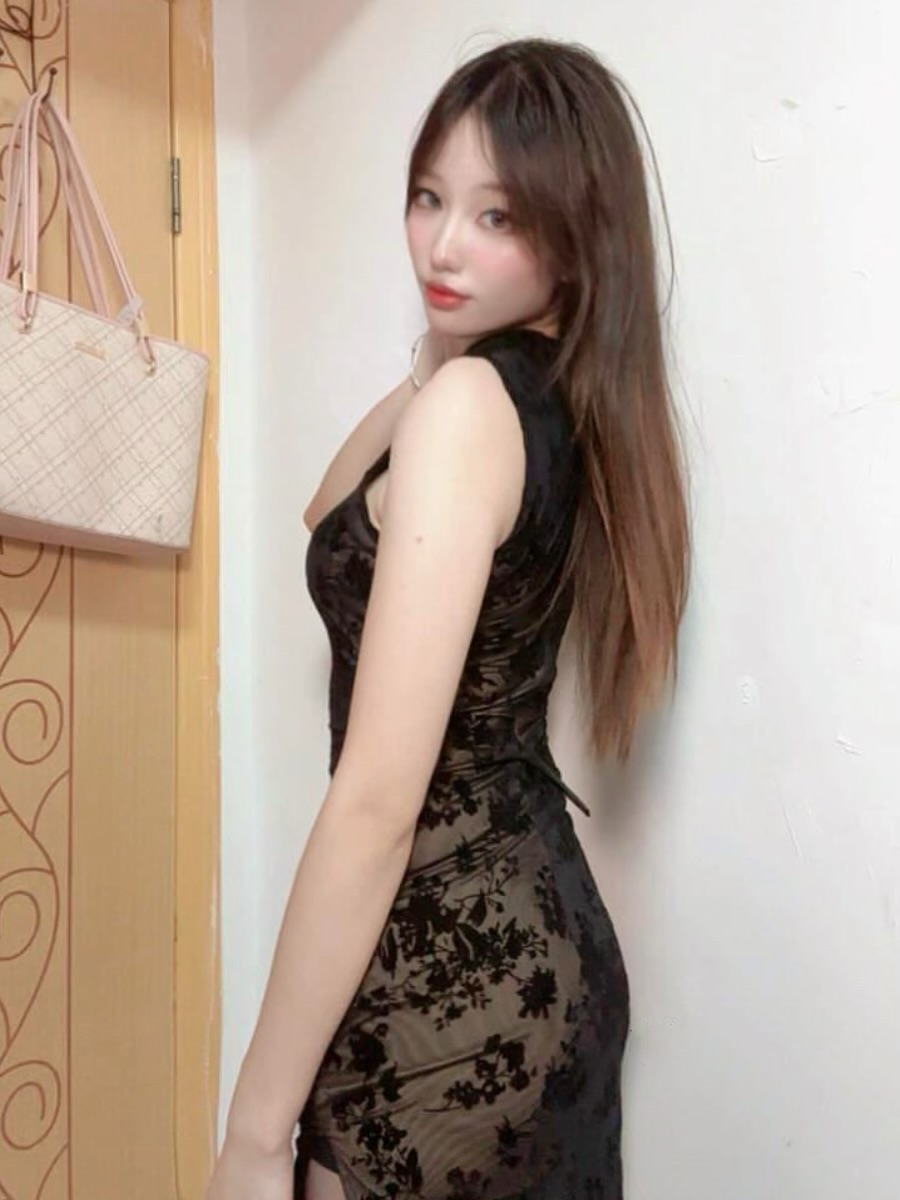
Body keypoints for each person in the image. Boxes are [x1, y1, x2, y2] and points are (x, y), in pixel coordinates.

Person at [206, 35, 690, 1200]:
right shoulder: (542, 397)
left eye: (496, 215)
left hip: (446, 987)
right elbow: (327, 514)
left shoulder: (476, 410)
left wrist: (254, 1131)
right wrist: (433, 360)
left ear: (574, 235)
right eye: (429, 197)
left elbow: (377, 803)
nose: (441, 244)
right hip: (518, 952)